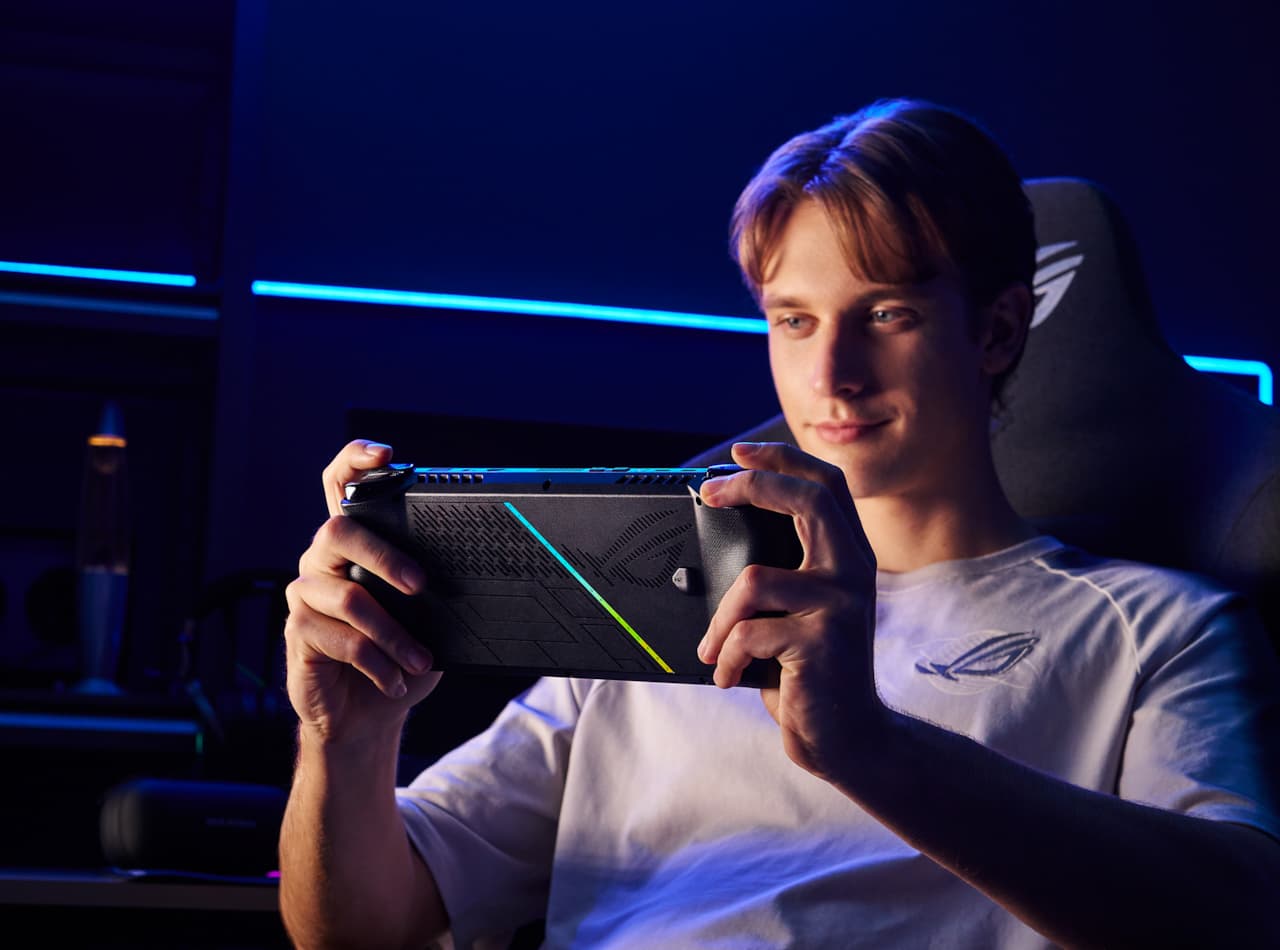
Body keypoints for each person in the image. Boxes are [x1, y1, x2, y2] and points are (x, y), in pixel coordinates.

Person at [278, 98, 1280, 948]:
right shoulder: (645, 613)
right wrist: (347, 741)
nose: (830, 373)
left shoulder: (1156, 630)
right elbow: (360, 924)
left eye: (886, 313)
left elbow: (1239, 914)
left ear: (996, 329)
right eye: (794, 319)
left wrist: (865, 742)